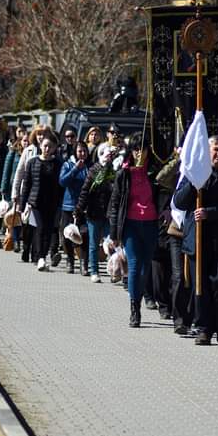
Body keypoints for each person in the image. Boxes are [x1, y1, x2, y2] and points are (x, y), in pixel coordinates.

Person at [174, 136, 218, 345]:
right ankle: (203, 328)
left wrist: (210, 213)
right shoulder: (196, 172)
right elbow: (179, 201)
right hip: (197, 238)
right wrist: (197, 185)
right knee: (201, 286)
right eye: (215, 150)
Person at [108, 132, 161, 328]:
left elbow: (163, 193)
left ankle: (141, 296)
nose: (139, 153)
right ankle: (134, 308)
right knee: (135, 264)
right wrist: (114, 233)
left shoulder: (154, 171)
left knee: (146, 266)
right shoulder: (124, 173)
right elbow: (115, 203)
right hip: (130, 224)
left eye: (143, 149)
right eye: (136, 149)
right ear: (131, 151)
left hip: (150, 223)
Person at [19, 132, 63, 271]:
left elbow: (61, 185)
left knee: (48, 230)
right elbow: (27, 184)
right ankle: (39, 257)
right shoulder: (32, 162)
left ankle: (42, 256)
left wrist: (60, 202)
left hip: (51, 202)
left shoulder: (58, 163)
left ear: (55, 148)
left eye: (50, 146)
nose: (47, 149)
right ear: (40, 145)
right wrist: (22, 204)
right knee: (39, 228)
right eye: (45, 146)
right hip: (35, 202)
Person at [76, 142, 116, 283]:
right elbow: (85, 191)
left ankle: (114, 270)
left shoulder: (114, 171)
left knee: (111, 242)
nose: (108, 158)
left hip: (109, 213)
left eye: (110, 155)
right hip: (94, 212)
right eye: (106, 154)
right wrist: (79, 208)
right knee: (93, 244)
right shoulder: (94, 170)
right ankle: (94, 271)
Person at [58, 141, 90, 274]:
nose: (82, 154)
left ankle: (84, 264)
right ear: (75, 152)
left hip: (84, 207)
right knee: (67, 235)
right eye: (79, 151)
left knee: (84, 235)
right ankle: (70, 261)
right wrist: (75, 169)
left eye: (84, 151)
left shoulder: (91, 167)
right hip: (69, 205)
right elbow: (62, 181)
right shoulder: (68, 164)